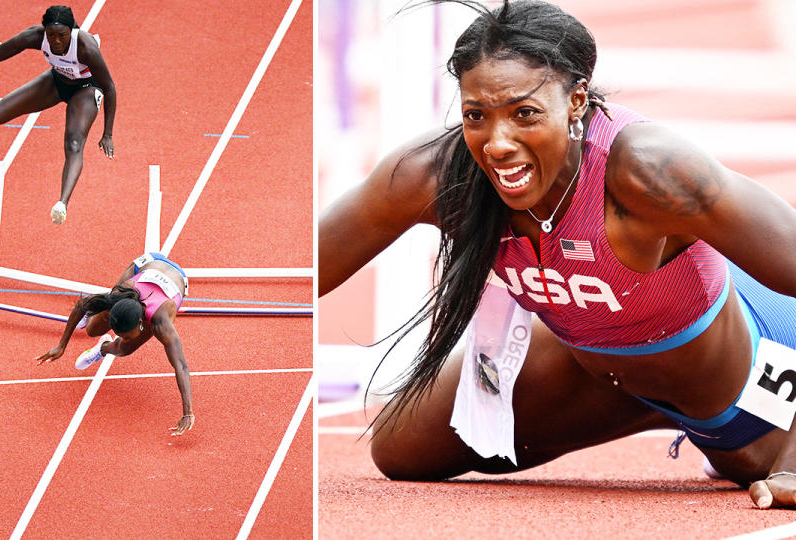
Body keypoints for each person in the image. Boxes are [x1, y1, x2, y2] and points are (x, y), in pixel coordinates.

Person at [319, 0, 796, 510]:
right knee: (400, 449)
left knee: (749, 463)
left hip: (739, 378)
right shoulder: (437, 175)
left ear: (576, 100)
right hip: (597, 366)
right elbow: (301, 268)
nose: (498, 144)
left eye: (525, 114)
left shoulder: (647, 171)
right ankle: (642, 404)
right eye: (476, 115)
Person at [0, 5, 116, 225]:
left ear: (72, 31)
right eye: (51, 35)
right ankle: (0, 104)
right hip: (57, 81)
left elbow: (110, 87)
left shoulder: (85, 47)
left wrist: (107, 133)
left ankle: (62, 203)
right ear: (44, 31)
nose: (56, 42)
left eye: (62, 36)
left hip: (87, 89)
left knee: (74, 142)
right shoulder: (36, 36)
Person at [35, 252, 194, 436]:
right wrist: (61, 345)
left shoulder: (160, 321)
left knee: (125, 349)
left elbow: (181, 365)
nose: (123, 337)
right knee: (92, 330)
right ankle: (96, 314)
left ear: (141, 324)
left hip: (175, 279)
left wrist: (187, 412)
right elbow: (81, 304)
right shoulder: (121, 293)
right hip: (148, 264)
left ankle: (102, 349)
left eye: (125, 335)